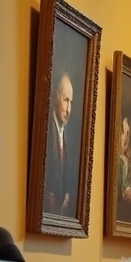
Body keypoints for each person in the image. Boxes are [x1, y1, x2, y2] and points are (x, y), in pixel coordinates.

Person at [44, 71, 76, 216]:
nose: (68, 109)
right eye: (65, 100)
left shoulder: (65, 133)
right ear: (56, 97)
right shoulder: (46, 128)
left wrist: (67, 193)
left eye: (71, 102)